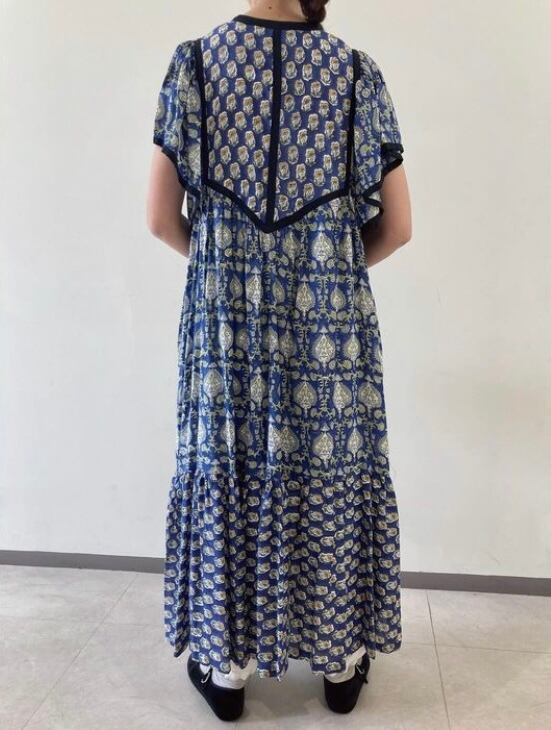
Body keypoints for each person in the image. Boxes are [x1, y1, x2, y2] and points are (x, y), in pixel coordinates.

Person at [146, 0, 412, 721]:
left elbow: (160, 219)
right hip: (328, 317)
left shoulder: (195, 66)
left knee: (225, 463)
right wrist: (327, 270)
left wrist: (222, 264)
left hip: (224, 320)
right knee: (331, 463)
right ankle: (340, 665)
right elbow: (398, 227)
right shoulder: (356, 74)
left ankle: (227, 671)